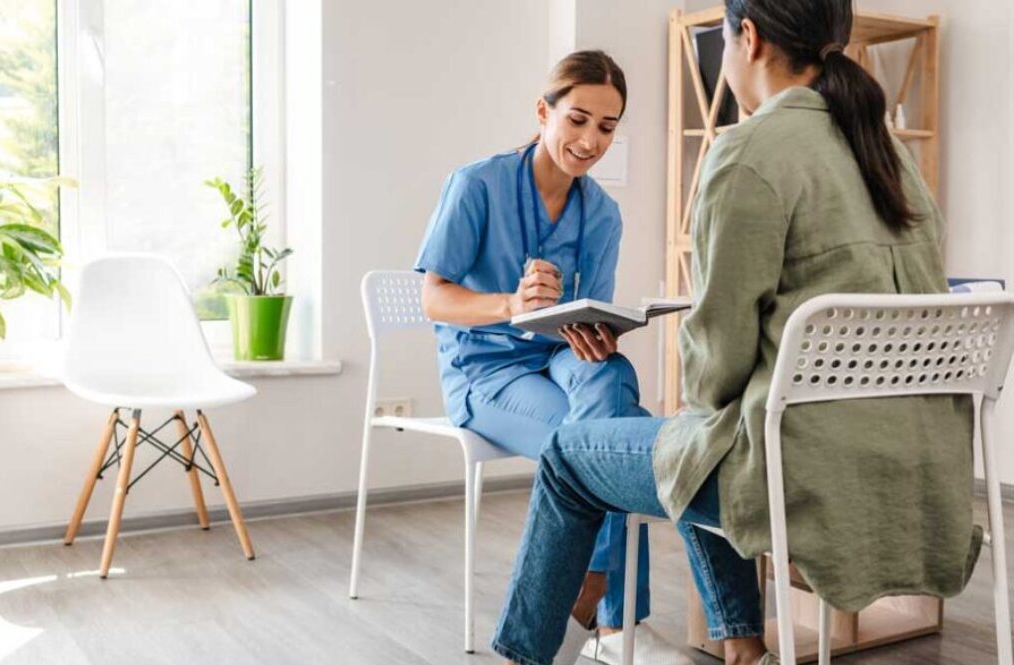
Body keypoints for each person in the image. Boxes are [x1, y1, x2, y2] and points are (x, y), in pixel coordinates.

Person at [490, 1, 979, 664]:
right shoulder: (892, 154)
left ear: (746, 37)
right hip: (919, 469)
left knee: (576, 454)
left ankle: (521, 656)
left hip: (801, 471)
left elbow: (714, 372)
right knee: (700, 434)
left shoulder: (747, 151)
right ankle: (742, 645)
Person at [415, 50, 691, 664]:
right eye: (578, 119)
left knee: (612, 378)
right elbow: (433, 299)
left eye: (607, 126)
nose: (590, 139)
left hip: (559, 362)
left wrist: (596, 334)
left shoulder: (604, 214)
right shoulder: (476, 185)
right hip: (485, 373)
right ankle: (608, 620)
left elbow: (586, 314)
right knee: (617, 443)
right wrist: (509, 304)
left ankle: (592, 613)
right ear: (544, 111)